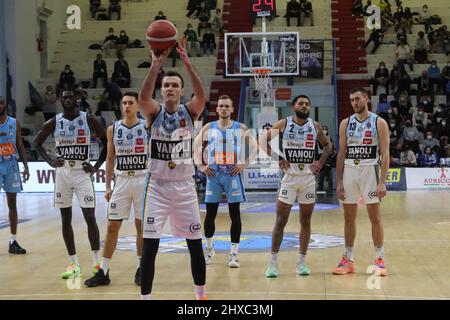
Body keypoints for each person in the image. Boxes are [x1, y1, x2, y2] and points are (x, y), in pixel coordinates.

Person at [138, 38, 207, 300]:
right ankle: (146, 298)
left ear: (180, 91)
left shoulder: (190, 112)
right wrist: (156, 65)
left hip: (185, 187)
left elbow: (201, 95)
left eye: (174, 85)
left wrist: (187, 62)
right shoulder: (153, 113)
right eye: (166, 85)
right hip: (156, 187)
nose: (169, 88)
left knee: (194, 245)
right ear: (162, 90)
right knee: (150, 247)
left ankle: (201, 297)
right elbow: (143, 97)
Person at [33, 90, 107, 279]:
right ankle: (74, 264)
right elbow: (36, 143)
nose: (67, 99)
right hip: (63, 173)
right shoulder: (54, 122)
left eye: (70, 97)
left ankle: (96, 263)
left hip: (82, 172)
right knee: (65, 220)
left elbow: (107, 141)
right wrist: (50, 162)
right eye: (64, 97)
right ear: (60, 100)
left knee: (90, 217)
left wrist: (97, 166)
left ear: (76, 99)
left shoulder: (88, 119)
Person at [261, 95, 332, 277]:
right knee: (280, 221)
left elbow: (328, 146)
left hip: (308, 179)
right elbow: (262, 140)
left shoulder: (315, 126)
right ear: (293, 107)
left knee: (305, 222)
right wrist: (277, 158)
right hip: (290, 179)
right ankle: (272, 263)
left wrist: (321, 161)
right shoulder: (284, 123)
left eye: (307, 103)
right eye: (301, 103)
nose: (304, 106)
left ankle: (301, 263)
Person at [84, 92, 147, 287]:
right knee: (112, 227)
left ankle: (141, 268)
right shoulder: (113, 129)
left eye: (130, 103)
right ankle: (104, 270)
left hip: (143, 180)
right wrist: (107, 185)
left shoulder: (147, 126)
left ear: (138, 106)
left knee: (141, 228)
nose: (127, 106)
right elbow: (110, 157)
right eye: (124, 103)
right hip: (121, 181)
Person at [194, 95, 257, 268]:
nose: (223, 108)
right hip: (213, 175)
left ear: (232, 109)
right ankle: (209, 249)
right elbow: (195, 145)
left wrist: (244, 163)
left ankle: (234, 254)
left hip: (232, 174)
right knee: (210, 215)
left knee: (234, 214)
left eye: (226, 106)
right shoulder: (209, 127)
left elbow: (254, 147)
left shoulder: (240, 127)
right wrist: (201, 165)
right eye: (220, 106)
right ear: (217, 109)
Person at [334, 87, 390, 276]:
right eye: (351, 100)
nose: (354, 103)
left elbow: (386, 154)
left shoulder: (379, 122)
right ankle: (348, 259)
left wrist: (382, 182)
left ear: (366, 98)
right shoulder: (345, 123)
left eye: (357, 99)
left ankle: (380, 259)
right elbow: (341, 153)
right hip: (350, 170)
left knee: (375, 217)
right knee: (348, 217)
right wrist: (339, 180)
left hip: (370, 170)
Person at [0, 96, 30, 254]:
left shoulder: (14, 122)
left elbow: (19, 144)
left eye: (1, 102)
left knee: (12, 203)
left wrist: (26, 166)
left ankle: (13, 240)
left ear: (5, 104)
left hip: (11, 166)